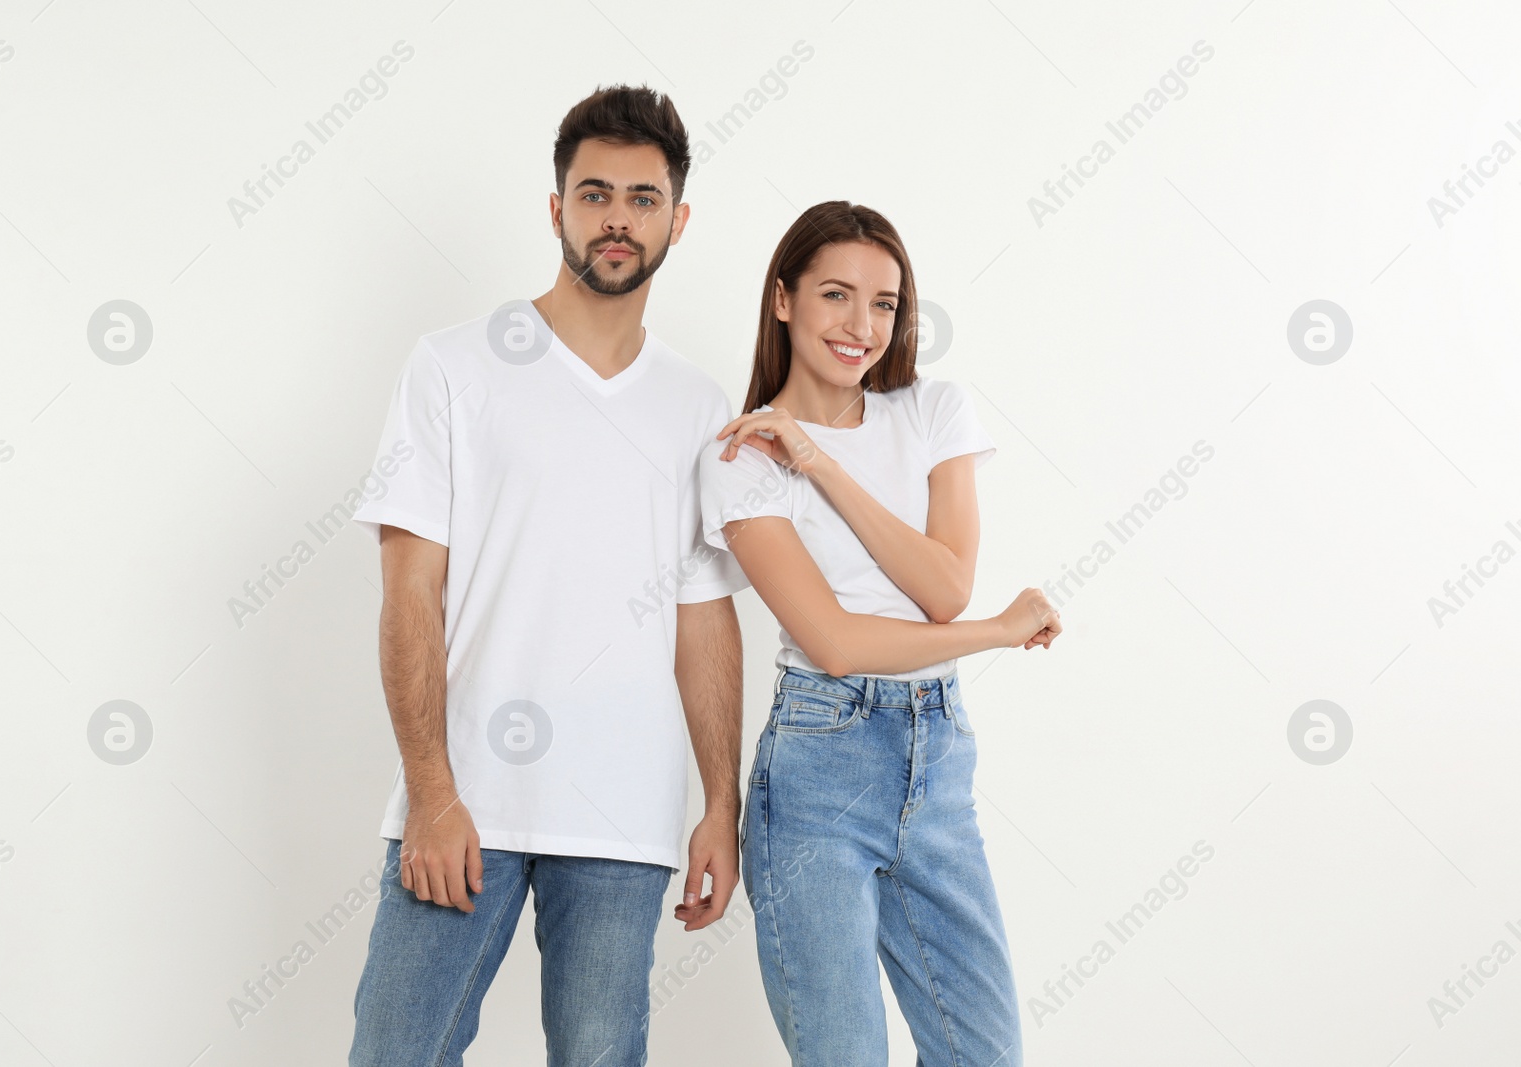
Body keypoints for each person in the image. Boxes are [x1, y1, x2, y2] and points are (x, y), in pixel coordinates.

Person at [347, 85, 750, 1067]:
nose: (618, 218)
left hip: (623, 816)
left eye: (643, 199)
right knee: (395, 1050)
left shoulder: (697, 405)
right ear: (557, 207)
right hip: (464, 802)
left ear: (677, 219)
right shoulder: (452, 367)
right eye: (595, 193)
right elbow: (409, 597)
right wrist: (433, 794)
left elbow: (703, 618)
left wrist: (720, 806)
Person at [698, 200, 1061, 1067]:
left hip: (938, 763)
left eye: (886, 303)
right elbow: (833, 642)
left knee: (985, 1053)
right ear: (783, 299)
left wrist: (821, 463)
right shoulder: (741, 458)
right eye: (835, 295)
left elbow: (941, 586)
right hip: (820, 767)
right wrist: (999, 632)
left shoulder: (932, 411)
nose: (863, 326)